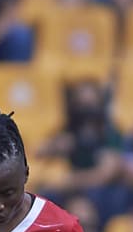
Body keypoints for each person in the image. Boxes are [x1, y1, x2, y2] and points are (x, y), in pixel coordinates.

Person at [37, 80, 127, 222]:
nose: (86, 111)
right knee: (43, 197)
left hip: (101, 192)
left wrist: (72, 180)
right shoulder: (69, 130)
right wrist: (55, 147)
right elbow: (38, 152)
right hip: (70, 190)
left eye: (90, 104)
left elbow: (106, 174)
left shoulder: (109, 133)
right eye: (81, 104)